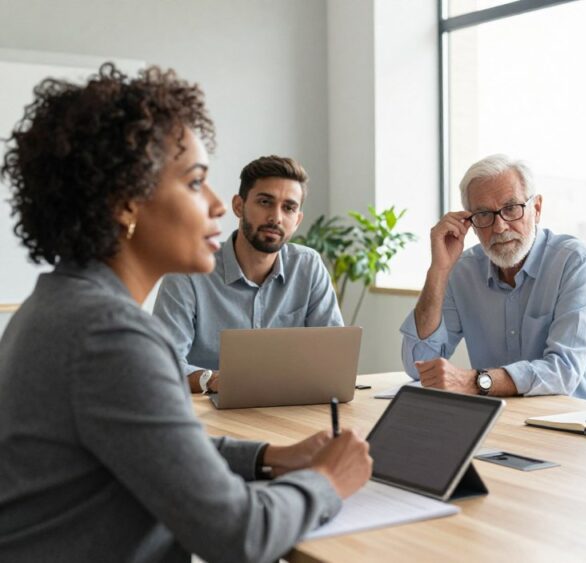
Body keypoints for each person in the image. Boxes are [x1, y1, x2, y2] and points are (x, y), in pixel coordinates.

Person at [0, 64, 371, 562]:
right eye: (196, 183)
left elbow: (156, 449)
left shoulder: (65, 304)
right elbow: (237, 535)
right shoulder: (108, 336)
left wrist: (269, 457)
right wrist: (328, 481)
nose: (220, 206)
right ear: (126, 204)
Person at [399, 154, 586, 400]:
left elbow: (563, 371)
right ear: (471, 223)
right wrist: (438, 270)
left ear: (537, 209)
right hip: (500, 421)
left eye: (511, 209)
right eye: (484, 214)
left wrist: (475, 381)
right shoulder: (462, 270)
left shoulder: (575, 262)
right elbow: (418, 365)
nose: (499, 227)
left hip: (573, 425)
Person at [154, 154, 342, 394]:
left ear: (297, 220)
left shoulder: (308, 266)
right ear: (238, 206)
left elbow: (333, 361)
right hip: (209, 413)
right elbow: (161, 365)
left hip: (288, 409)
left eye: (289, 208)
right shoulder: (189, 271)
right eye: (265, 202)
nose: (276, 217)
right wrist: (211, 380)